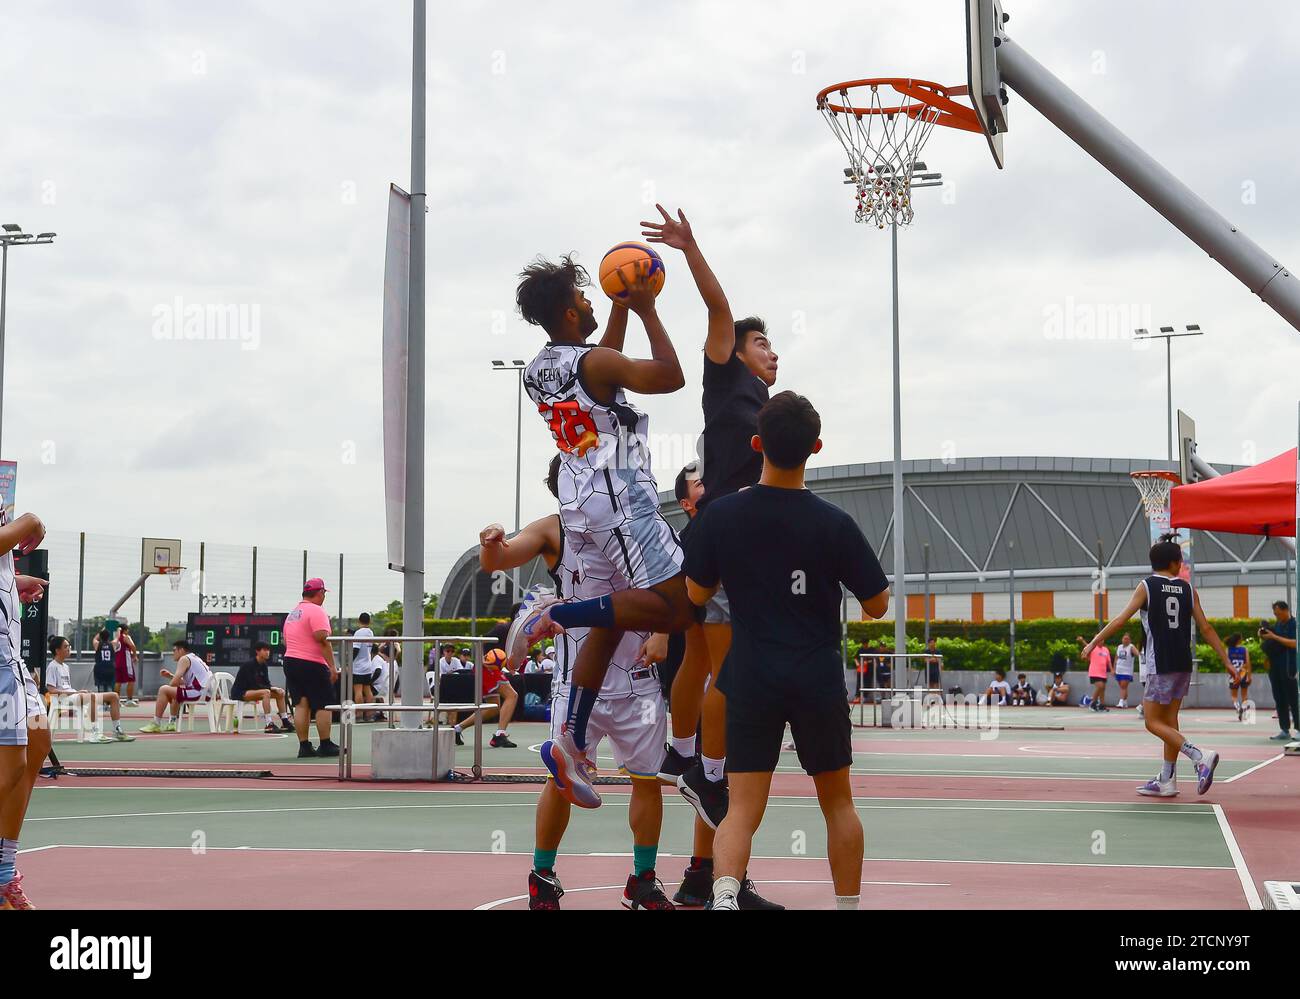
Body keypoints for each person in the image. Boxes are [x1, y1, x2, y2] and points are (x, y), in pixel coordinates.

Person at [682, 392, 890, 910]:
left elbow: (695, 595)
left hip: (751, 675)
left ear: (757, 445)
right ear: (816, 447)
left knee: (741, 808)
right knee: (838, 803)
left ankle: (725, 896)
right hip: (816, 675)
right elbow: (879, 605)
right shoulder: (834, 523)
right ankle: (847, 907)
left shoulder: (722, 516)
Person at [511, 252, 696, 809]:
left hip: (578, 504)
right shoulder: (595, 365)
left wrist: (615, 312)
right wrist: (645, 308)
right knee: (680, 607)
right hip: (623, 504)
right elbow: (670, 374)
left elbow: (598, 361)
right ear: (570, 313)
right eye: (587, 298)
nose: (595, 303)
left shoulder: (536, 370)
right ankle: (553, 614)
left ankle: (570, 737)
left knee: (613, 617)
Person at [479, 455, 675, 909]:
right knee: (560, 779)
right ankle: (542, 874)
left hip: (638, 676)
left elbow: (670, 590)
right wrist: (490, 544)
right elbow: (500, 557)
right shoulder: (554, 529)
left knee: (648, 780)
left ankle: (642, 879)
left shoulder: (641, 524)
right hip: (577, 679)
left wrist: (664, 632)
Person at [642, 208, 780, 834]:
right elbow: (719, 310)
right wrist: (690, 247)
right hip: (728, 533)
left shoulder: (765, 405)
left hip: (714, 533)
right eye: (763, 342)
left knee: (697, 656)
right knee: (726, 665)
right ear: (738, 351)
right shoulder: (728, 379)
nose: (771, 351)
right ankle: (711, 773)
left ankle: (683, 753)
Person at [637, 464, 781, 909]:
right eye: (700, 482)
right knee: (722, 783)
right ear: (686, 503)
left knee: (713, 789)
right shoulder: (697, 543)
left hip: (712, 682)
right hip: (709, 686)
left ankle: (703, 874)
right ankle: (723, 878)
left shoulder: (718, 537)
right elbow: (669, 595)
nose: (711, 484)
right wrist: (661, 632)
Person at [1081, 534, 1230, 796]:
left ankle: (1199, 756)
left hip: (1160, 662)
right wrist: (1226, 660)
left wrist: (1094, 641)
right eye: (1181, 561)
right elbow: (1206, 628)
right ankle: (1167, 779)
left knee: (1152, 722)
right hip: (1183, 662)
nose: (1182, 565)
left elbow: (1119, 620)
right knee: (1170, 720)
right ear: (1174, 563)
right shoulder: (1188, 589)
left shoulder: (1147, 586)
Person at [0, 507, 49, 909]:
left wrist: (13, 584)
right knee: (9, 766)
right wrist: (27, 523)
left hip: (10, 655)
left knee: (36, 743)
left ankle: (3, 875)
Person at [280, 578, 340, 758]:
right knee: (323, 703)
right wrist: (331, 666)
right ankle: (325, 743)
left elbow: (285, 640)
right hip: (311, 662)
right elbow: (322, 637)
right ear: (320, 593)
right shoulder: (317, 611)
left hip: (291, 660)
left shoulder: (293, 613)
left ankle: (304, 746)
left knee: (301, 703)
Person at [44, 636, 133, 742]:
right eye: (65, 646)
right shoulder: (52, 667)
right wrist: (77, 692)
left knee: (114, 696)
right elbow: (52, 690)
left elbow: (67, 687)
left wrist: (77, 692)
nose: (69, 649)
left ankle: (117, 730)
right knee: (91, 697)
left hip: (73, 695)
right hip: (61, 698)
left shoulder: (65, 667)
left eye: (69, 646)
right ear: (57, 650)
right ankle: (95, 733)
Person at [447, 648, 518, 749]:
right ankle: (500, 735)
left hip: (487, 666)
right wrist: (485, 660)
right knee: (512, 696)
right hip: (488, 666)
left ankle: (457, 729)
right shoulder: (514, 635)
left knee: (493, 708)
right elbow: (483, 643)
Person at [140, 641, 213, 732]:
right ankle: (172, 723)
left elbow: (175, 682)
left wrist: (167, 693)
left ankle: (156, 723)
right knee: (176, 691)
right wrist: (170, 676)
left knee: (163, 690)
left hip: (198, 693)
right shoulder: (194, 658)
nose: (173, 653)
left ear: (181, 650)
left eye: (174, 650)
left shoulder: (184, 659)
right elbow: (184, 682)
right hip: (205, 692)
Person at [229, 641, 294, 733]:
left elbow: (266, 683)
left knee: (281, 693)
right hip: (240, 692)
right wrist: (270, 688)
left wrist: (273, 688)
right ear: (257, 651)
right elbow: (253, 684)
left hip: (254, 691)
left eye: (268, 650)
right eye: (264, 650)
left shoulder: (263, 665)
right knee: (266, 692)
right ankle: (269, 724)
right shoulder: (249, 665)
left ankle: (285, 721)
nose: (267, 652)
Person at [1260, 601, 1298, 741]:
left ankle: (1298, 729)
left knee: (1293, 698)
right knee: (1279, 698)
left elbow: (1295, 643)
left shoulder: (1294, 624)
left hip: (1289, 667)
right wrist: (1265, 636)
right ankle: (1284, 729)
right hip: (1275, 667)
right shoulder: (1277, 625)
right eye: (1275, 614)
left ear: (1286, 610)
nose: (1277, 616)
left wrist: (1274, 637)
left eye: (1279, 613)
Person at [1078, 635, 1111, 711]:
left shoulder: (1105, 650)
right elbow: (1087, 646)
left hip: (1103, 673)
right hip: (1094, 672)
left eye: (1102, 640)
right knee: (1100, 686)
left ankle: (1102, 705)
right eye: (1099, 640)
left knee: (1103, 688)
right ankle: (1092, 703)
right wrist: (1082, 640)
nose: (1101, 641)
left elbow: (1108, 661)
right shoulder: (1093, 648)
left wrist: (1112, 669)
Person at [1224, 633, 1251, 721]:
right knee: (1244, 695)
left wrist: (1229, 674)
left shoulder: (1228, 650)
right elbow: (1248, 663)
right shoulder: (1244, 650)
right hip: (1243, 674)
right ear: (1239, 640)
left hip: (1233, 675)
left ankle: (1238, 708)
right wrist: (1249, 676)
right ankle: (1244, 710)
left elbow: (1227, 664)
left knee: (1234, 696)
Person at [113, 626, 140, 706]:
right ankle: (129, 700)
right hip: (126, 663)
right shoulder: (126, 637)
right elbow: (133, 646)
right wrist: (135, 656)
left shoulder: (116, 639)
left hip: (117, 663)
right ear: (125, 630)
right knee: (131, 680)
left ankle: (116, 701)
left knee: (118, 682)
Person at [1114, 633, 1139, 708]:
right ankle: (1125, 701)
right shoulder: (1119, 647)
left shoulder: (1131, 647)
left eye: (1127, 639)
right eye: (1124, 638)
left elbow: (1138, 654)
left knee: (1123, 686)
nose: (1125, 640)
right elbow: (1116, 658)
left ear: (1130, 640)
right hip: (1119, 670)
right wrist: (1114, 668)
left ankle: (1121, 701)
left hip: (1127, 671)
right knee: (1123, 687)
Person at [91, 628, 117, 694]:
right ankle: (109, 701)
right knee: (110, 686)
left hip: (100, 668)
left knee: (100, 686)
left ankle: (102, 700)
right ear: (109, 637)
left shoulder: (97, 644)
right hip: (110, 668)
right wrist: (118, 630)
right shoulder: (113, 644)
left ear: (101, 636)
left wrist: (100, 631)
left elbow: (94, 639)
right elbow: (118, 637)